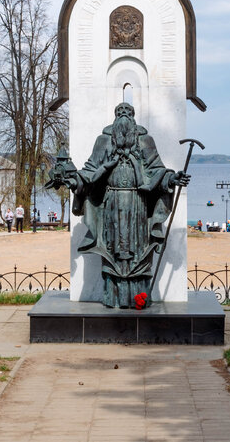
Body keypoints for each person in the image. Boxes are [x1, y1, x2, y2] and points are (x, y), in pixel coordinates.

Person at [45, 102, 189, 308]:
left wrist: (172, 179)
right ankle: (113, 297)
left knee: (138, 249)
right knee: (112, 248)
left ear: (133, 117)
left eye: (127, 112)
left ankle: (139, 298)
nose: (123, 115)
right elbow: (90, 169)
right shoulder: (103, 141)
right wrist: (75, 180)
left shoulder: (145, 141)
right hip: (111, 203)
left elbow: (157, 170)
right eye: (119, 112)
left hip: (138, 203)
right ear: (114, 118)